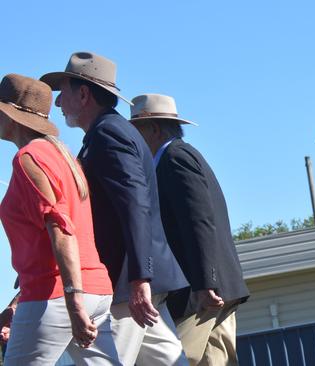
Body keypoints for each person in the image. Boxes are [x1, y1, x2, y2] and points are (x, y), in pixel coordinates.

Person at [40, 52, 190, 365]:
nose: (57, 104)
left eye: (62, 92)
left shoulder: (107, 134)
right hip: (136, 278)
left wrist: (139, 280)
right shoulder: (107, 132)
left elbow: (135, 205)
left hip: (126, 281)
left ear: (83, 94)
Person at [0, 74, 118, 364]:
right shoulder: (63, 155)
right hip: (97, 291)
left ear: (11, 116)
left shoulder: (28, 158)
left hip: (55, 295)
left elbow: (61, 230)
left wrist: (73, 299)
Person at [130, 93, 250, 365]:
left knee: (175, 359)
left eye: (136, 131)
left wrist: (205, 282)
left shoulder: (174, 158)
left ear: (154, 128)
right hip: (214, 287)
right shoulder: (179, 156)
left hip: (200, 291)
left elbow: (199, 220)